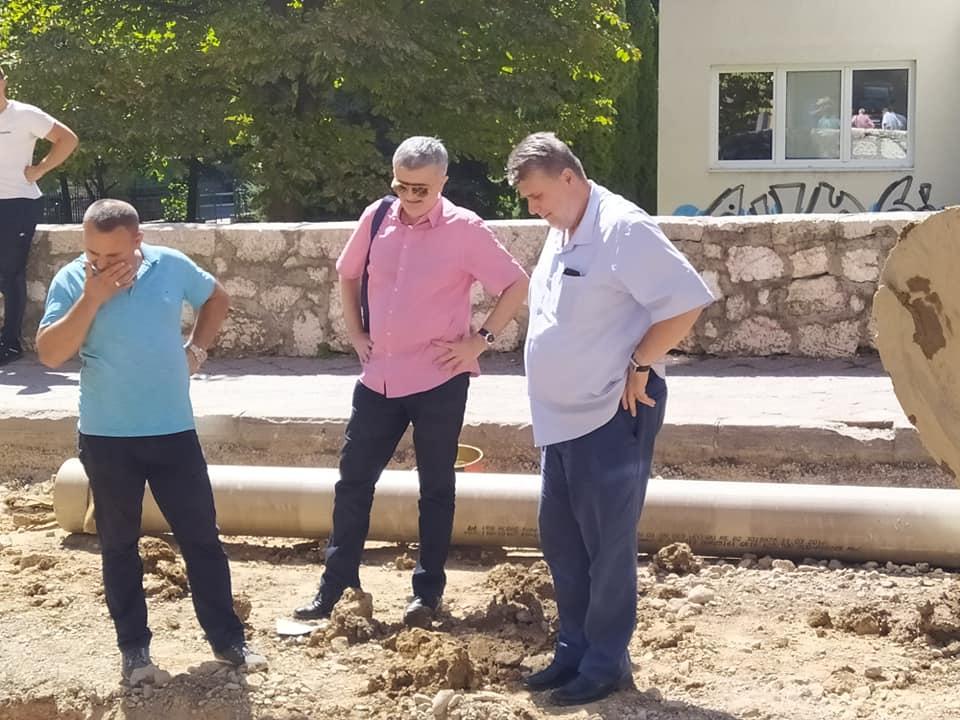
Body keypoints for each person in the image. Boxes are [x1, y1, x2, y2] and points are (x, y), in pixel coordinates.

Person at [506, 133, 714, 706]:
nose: (534, 208)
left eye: (538, 195)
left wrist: (642, 362)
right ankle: (572, 652)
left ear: (568, 177)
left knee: (607, 548)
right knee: (563, 543)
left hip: (609, 414)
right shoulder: (562, 229)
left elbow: (687, 302)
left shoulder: (623, 228)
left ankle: (605, 665)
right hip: (559, 420)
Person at [293, 136, 528, 628]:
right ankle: (336, 587)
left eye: (421, 189)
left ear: (443, 182)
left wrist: (479, 341)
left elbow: (515, 283)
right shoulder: (377, 216)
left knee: (436, 486)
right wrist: (356, 332)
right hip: (378, 378)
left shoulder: (466, 229)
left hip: (440, 378)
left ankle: (426, 594)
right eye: (401, 186)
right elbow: (348, 273)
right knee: (353, 482)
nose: (410, 196)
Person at [36, 199, 264, 683]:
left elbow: (216, 297)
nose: (101, 264)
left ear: (138, 241)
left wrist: (197, 350)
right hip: (106, 437)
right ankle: (135, 652)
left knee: (201, 539)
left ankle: (229, 642)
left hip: (173, 431)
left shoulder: (171, 265)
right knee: (119, 545)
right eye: (93, 254)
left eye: (113, 256)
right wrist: (93, 297)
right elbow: (51, 354)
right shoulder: (73, 280)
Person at [0, 64, 78, 365]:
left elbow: (68, 139)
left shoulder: (25, 115)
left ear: (4, 81)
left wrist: (40, 170)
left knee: (10, 273)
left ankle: (10, 344)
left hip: (18, 203)